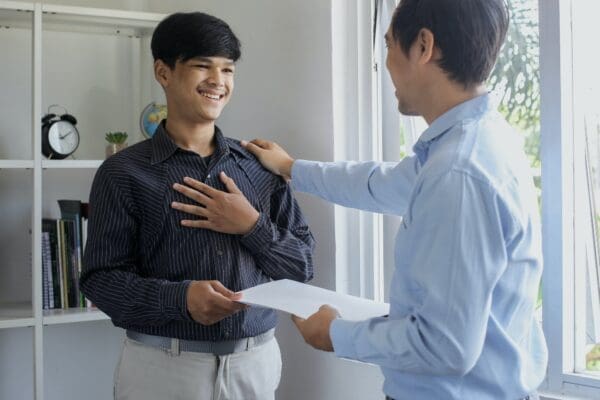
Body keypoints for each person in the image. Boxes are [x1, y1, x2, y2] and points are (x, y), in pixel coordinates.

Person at [237, 0, 548, 399]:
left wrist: (335, 334)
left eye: (387, 45)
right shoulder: (473, 143)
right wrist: (293, 167)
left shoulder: (459, 173)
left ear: (423, 45)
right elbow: (381, 183)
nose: (385, 64)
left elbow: (444, 347)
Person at [81, 12, 315, 400]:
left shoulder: (260, 166)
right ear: (163, 72)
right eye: (202, 66)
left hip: (255, 366)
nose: (218, 82)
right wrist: (181, 300)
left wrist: (251, 226)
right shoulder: (123, 172)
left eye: (227, 69)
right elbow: (100, 281)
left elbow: (302, 266)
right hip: (162, 369)